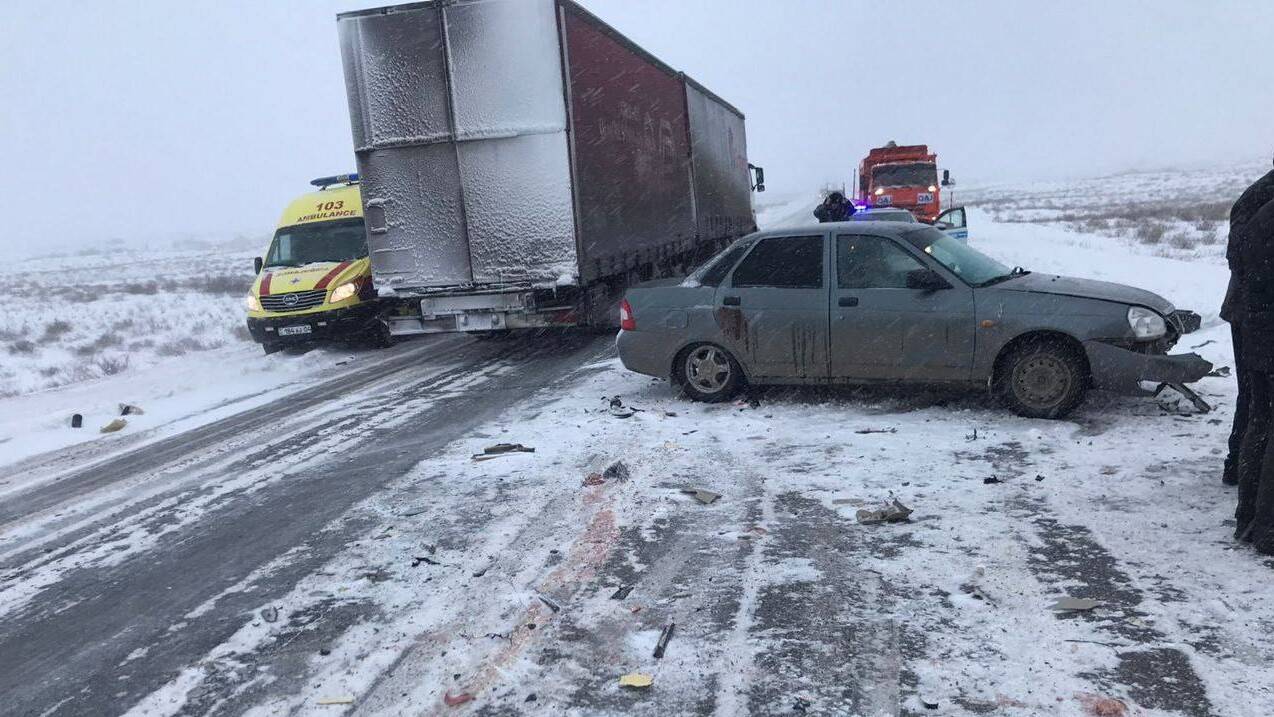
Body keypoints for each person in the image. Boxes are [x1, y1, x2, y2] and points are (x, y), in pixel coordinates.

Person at [1222, 160, 1274, 485]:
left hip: (1253, 309)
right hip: (1252, 314)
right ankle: (1240, 469)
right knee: (1255, 398)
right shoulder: (1260, 196)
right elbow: (1238, 255)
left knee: (1257, 400)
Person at [1236, 196, 1274, 553]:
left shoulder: (1261, 212)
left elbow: (1241, 266)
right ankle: (1267, 531)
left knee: (1260, 422)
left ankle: (1248, 519)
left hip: (1258, 334)